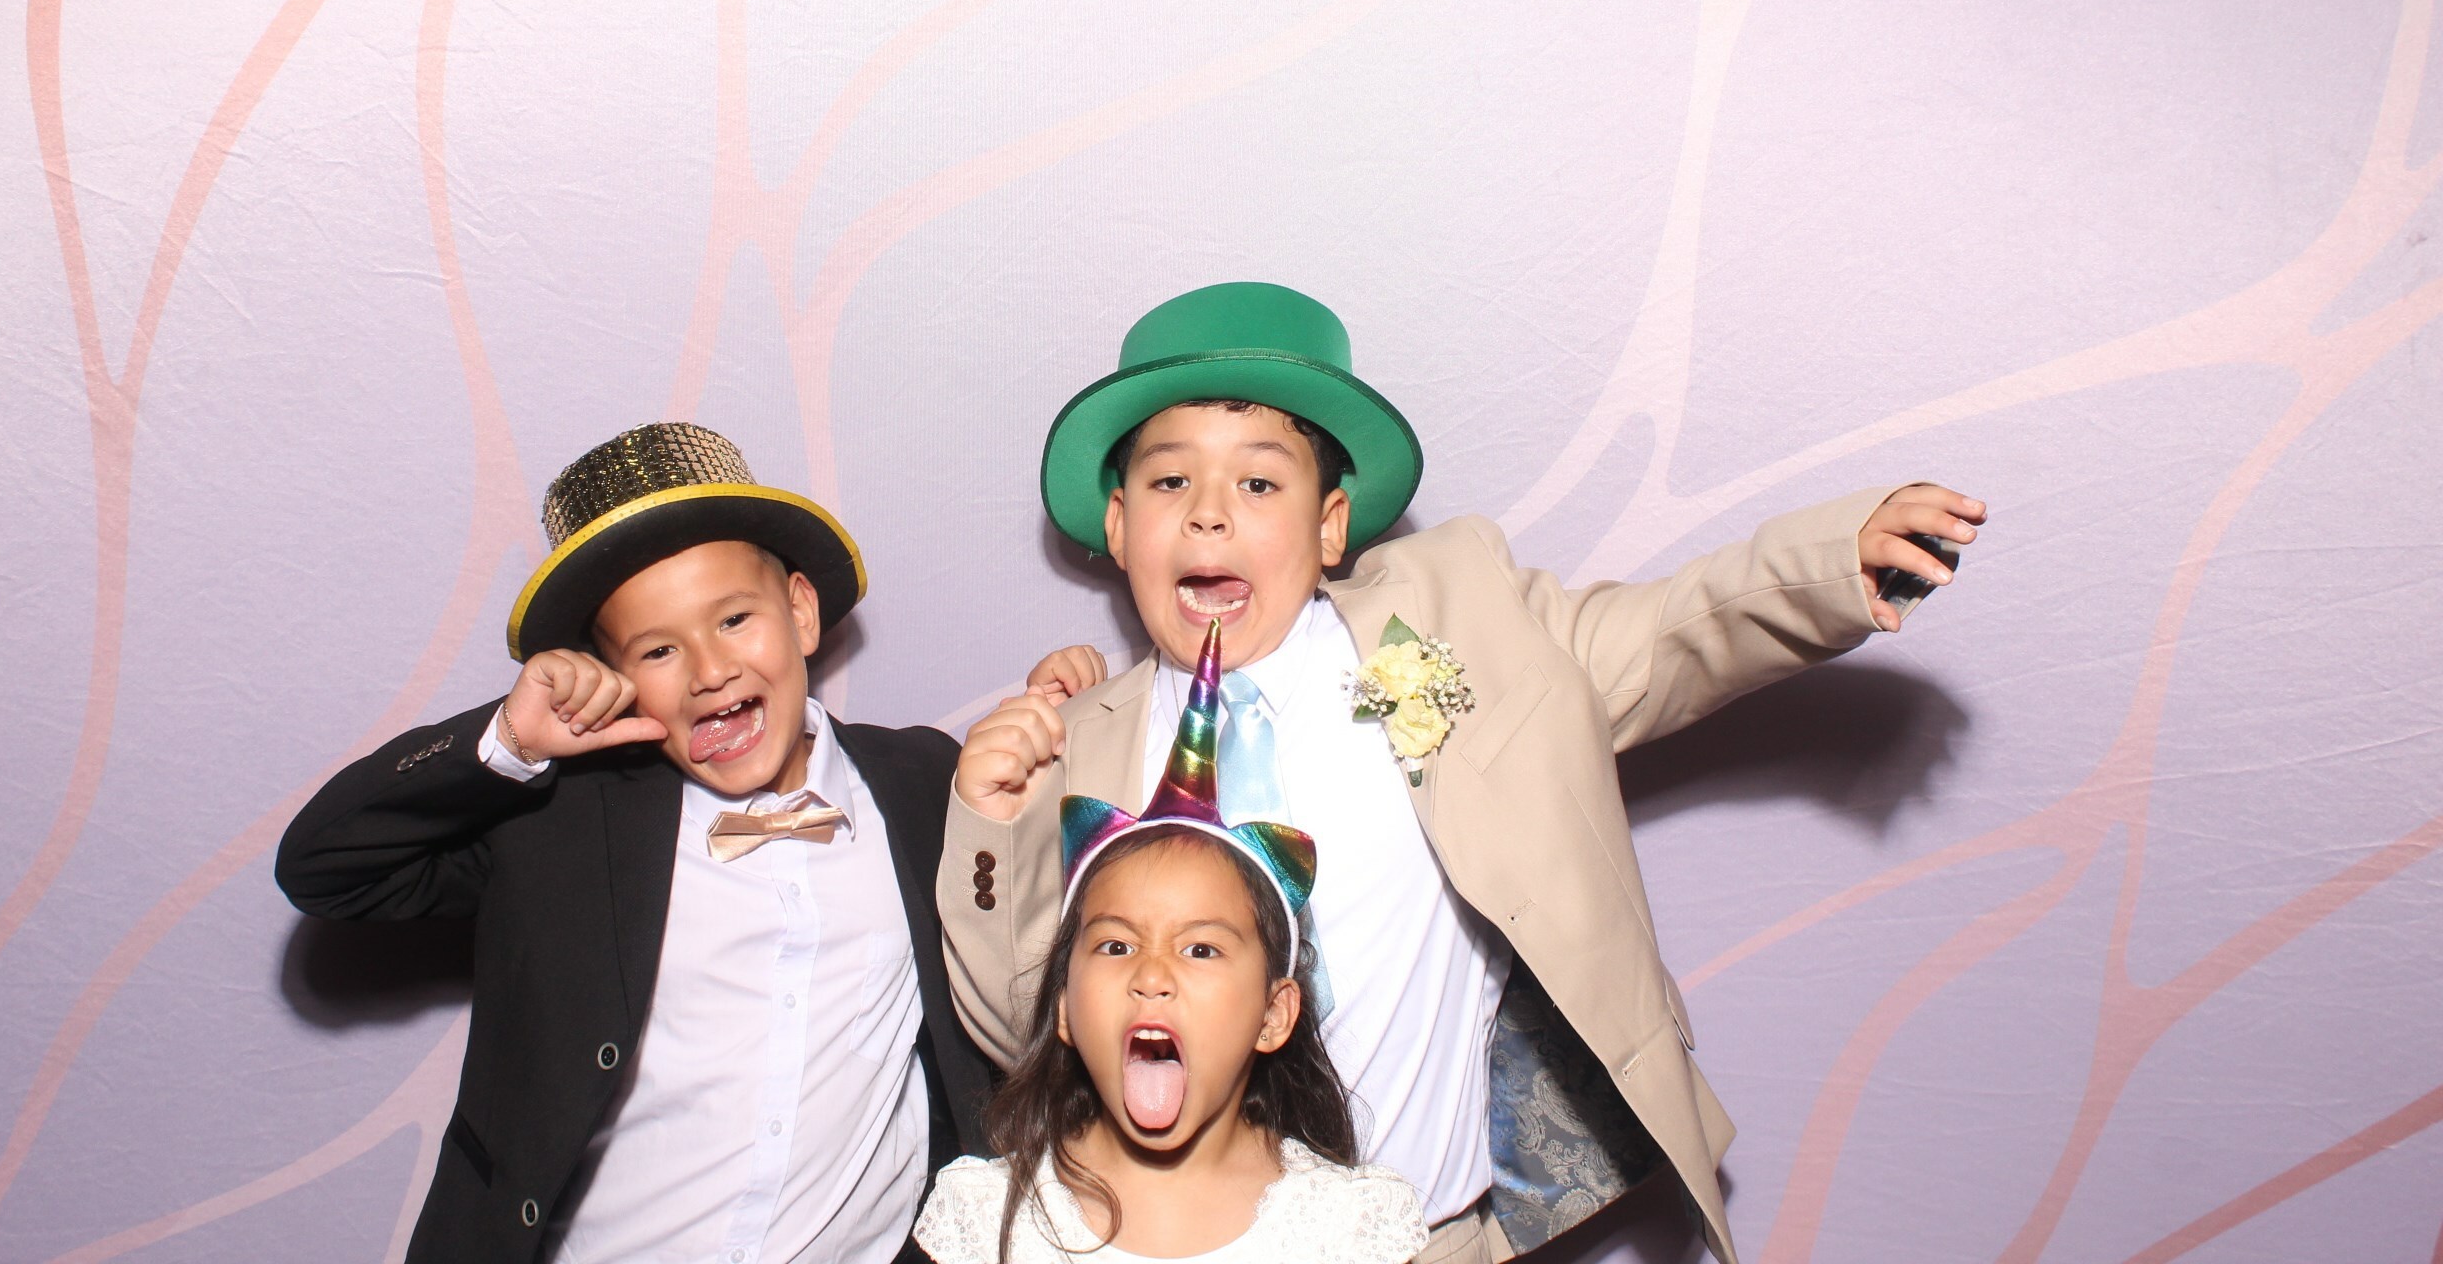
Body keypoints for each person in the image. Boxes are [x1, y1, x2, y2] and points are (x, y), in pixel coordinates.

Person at [938, 283, 1986, 1264]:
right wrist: (989, 826)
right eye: (1170, 480)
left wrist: (1824, 567)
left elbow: (1665, 635)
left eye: (1259, 481)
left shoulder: (1450, 630)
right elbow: (1029, 1029)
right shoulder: (1074, 744)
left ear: (1330, 525)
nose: (1209, 513)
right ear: (1120, 526)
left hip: (1425, 1239)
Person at [277, 422, 993, 1263]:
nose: (710, 670)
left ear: (801, 611)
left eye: (734, 618)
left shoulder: (926, 782)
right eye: (658, 649)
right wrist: (509, 741)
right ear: (611, 677)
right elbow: (325, 869)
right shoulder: (564, 821)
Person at [914, 622, 1426, 1264]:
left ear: (1275, 1014)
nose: (1151, 976)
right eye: (1116, 946)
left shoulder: (1352, 1227)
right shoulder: (984, 1220)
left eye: (1201, 949)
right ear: (1064, 1006)